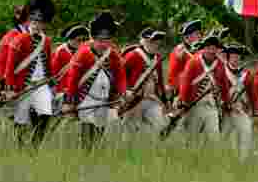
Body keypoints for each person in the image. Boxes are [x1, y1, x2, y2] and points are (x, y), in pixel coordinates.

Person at [64, 11, 127, 150]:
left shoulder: (113, 53)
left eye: (107, 40)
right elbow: (73, 79)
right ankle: (85, 153)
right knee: (88, 129)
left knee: (99, 131)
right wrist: (69, 102)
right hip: (85, 98)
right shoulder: (83, 53)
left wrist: (122, 92)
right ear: (93, 38)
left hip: (105, 99)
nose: (103, 44)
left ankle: (94, 154)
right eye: (100, 40)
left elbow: (120, 75)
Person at [2, 0, 58, 148]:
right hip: (23, 85)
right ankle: (19, 145)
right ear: (28, 19)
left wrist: (52, 84)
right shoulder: (19, 39)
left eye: (39, 21)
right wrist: (9, 88)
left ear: (44, 23)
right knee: (21, 118)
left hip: (41, 84)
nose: (36, 24)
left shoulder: (46, 41)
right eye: (33, 20)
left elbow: (48, 64)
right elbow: (9, 67)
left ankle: (35, 145)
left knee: (46, 114)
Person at [177, 31, 231, 138]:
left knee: (214, 136)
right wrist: (183, 100)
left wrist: (227, 101)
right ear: (204, 48)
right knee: (192, 136)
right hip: (195, 102)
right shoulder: (194, 62)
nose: (212, 51)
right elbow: (185, 82)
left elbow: (224, 85)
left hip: (211, 104)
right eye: (209, 48)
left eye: (214, 48)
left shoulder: (220, 64)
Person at [119, 27, 169, 133]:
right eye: (153, 41)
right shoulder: (133, 56)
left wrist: (165, 101)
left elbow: (160, 82)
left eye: (158, 42)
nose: (156, 44)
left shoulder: (157, 58)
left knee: (162, 126)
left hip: (152, 100)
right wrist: (125, 91)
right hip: (134, 101)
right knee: (129, 134)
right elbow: (120, 75)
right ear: (145, 41)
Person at [220, 43, 256, 156]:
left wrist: (252, 110)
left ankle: (243, 160)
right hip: (225, 110)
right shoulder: (221, 72)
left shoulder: (246, 74)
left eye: (237, 56)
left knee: (247, 131)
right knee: (223, 138)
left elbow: (251, 94)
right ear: (228, 57)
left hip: (241, 109)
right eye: (233, 56)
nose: (235, 59)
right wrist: (225, 105)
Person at [51, 24, 88, 112]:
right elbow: (54, 73)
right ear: (70, 39)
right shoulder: (61, 51)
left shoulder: (85, 51)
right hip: (63, 88)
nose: (82, 43)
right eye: (79, 40)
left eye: (84, 40)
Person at [167, 19, 202, 101]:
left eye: (199, 33)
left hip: (196, 93)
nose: (200, 36)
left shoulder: (197, 51)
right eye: (196, 34)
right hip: (181, 95)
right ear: (187, 37)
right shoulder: (179, 51)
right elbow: (172, 77)